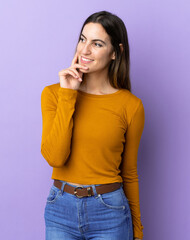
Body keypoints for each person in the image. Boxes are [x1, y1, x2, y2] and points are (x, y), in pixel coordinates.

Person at [41, 10, 145, 240]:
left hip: (109, 212)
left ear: (115, 53)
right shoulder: (53, 94)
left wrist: (137, 231)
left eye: (97, 44)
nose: (84, 50)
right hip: (60, 209)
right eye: (82, 39)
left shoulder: (130, 106)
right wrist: (68, 94)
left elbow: (129, 173)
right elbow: (55, 158)